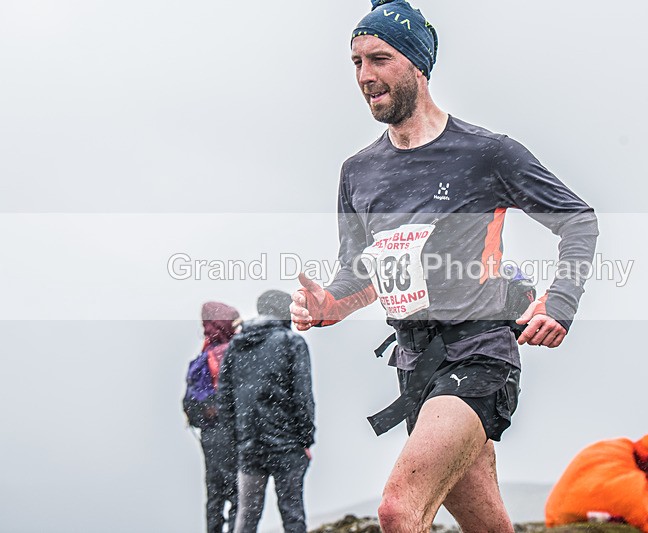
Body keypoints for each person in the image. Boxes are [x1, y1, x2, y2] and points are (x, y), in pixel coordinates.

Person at [290, 0, 599, 531]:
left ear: (417, 65)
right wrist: (327, 305)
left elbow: (577, 221)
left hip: (479, 354)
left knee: (398, 509)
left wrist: (560, 300)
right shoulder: (358, 171)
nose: (365, 75)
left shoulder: (487, 153)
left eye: (380, 59)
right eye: (357, 62)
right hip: (415, 367)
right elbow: (360, 274)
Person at [217, 290, 316, 533]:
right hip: (287, 444)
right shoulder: (291, 342)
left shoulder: (236, 346)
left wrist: (238, 439)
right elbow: (302, 396)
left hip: (249, 446)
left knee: (247, 516)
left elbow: (225, 400)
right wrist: (306, 439)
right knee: (292, 514)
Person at [545, 434, 648, 533]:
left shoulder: (628, 453)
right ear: (645, 459)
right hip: (560, 517)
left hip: (556, 514)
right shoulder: (619, 466)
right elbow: (639, 507)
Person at [198, 301, 241, 533]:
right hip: (230, 432)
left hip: (210, 436)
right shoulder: (231, 351)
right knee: (238, 494)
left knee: (215, 494)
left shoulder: (202, 357)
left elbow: (192, 404)